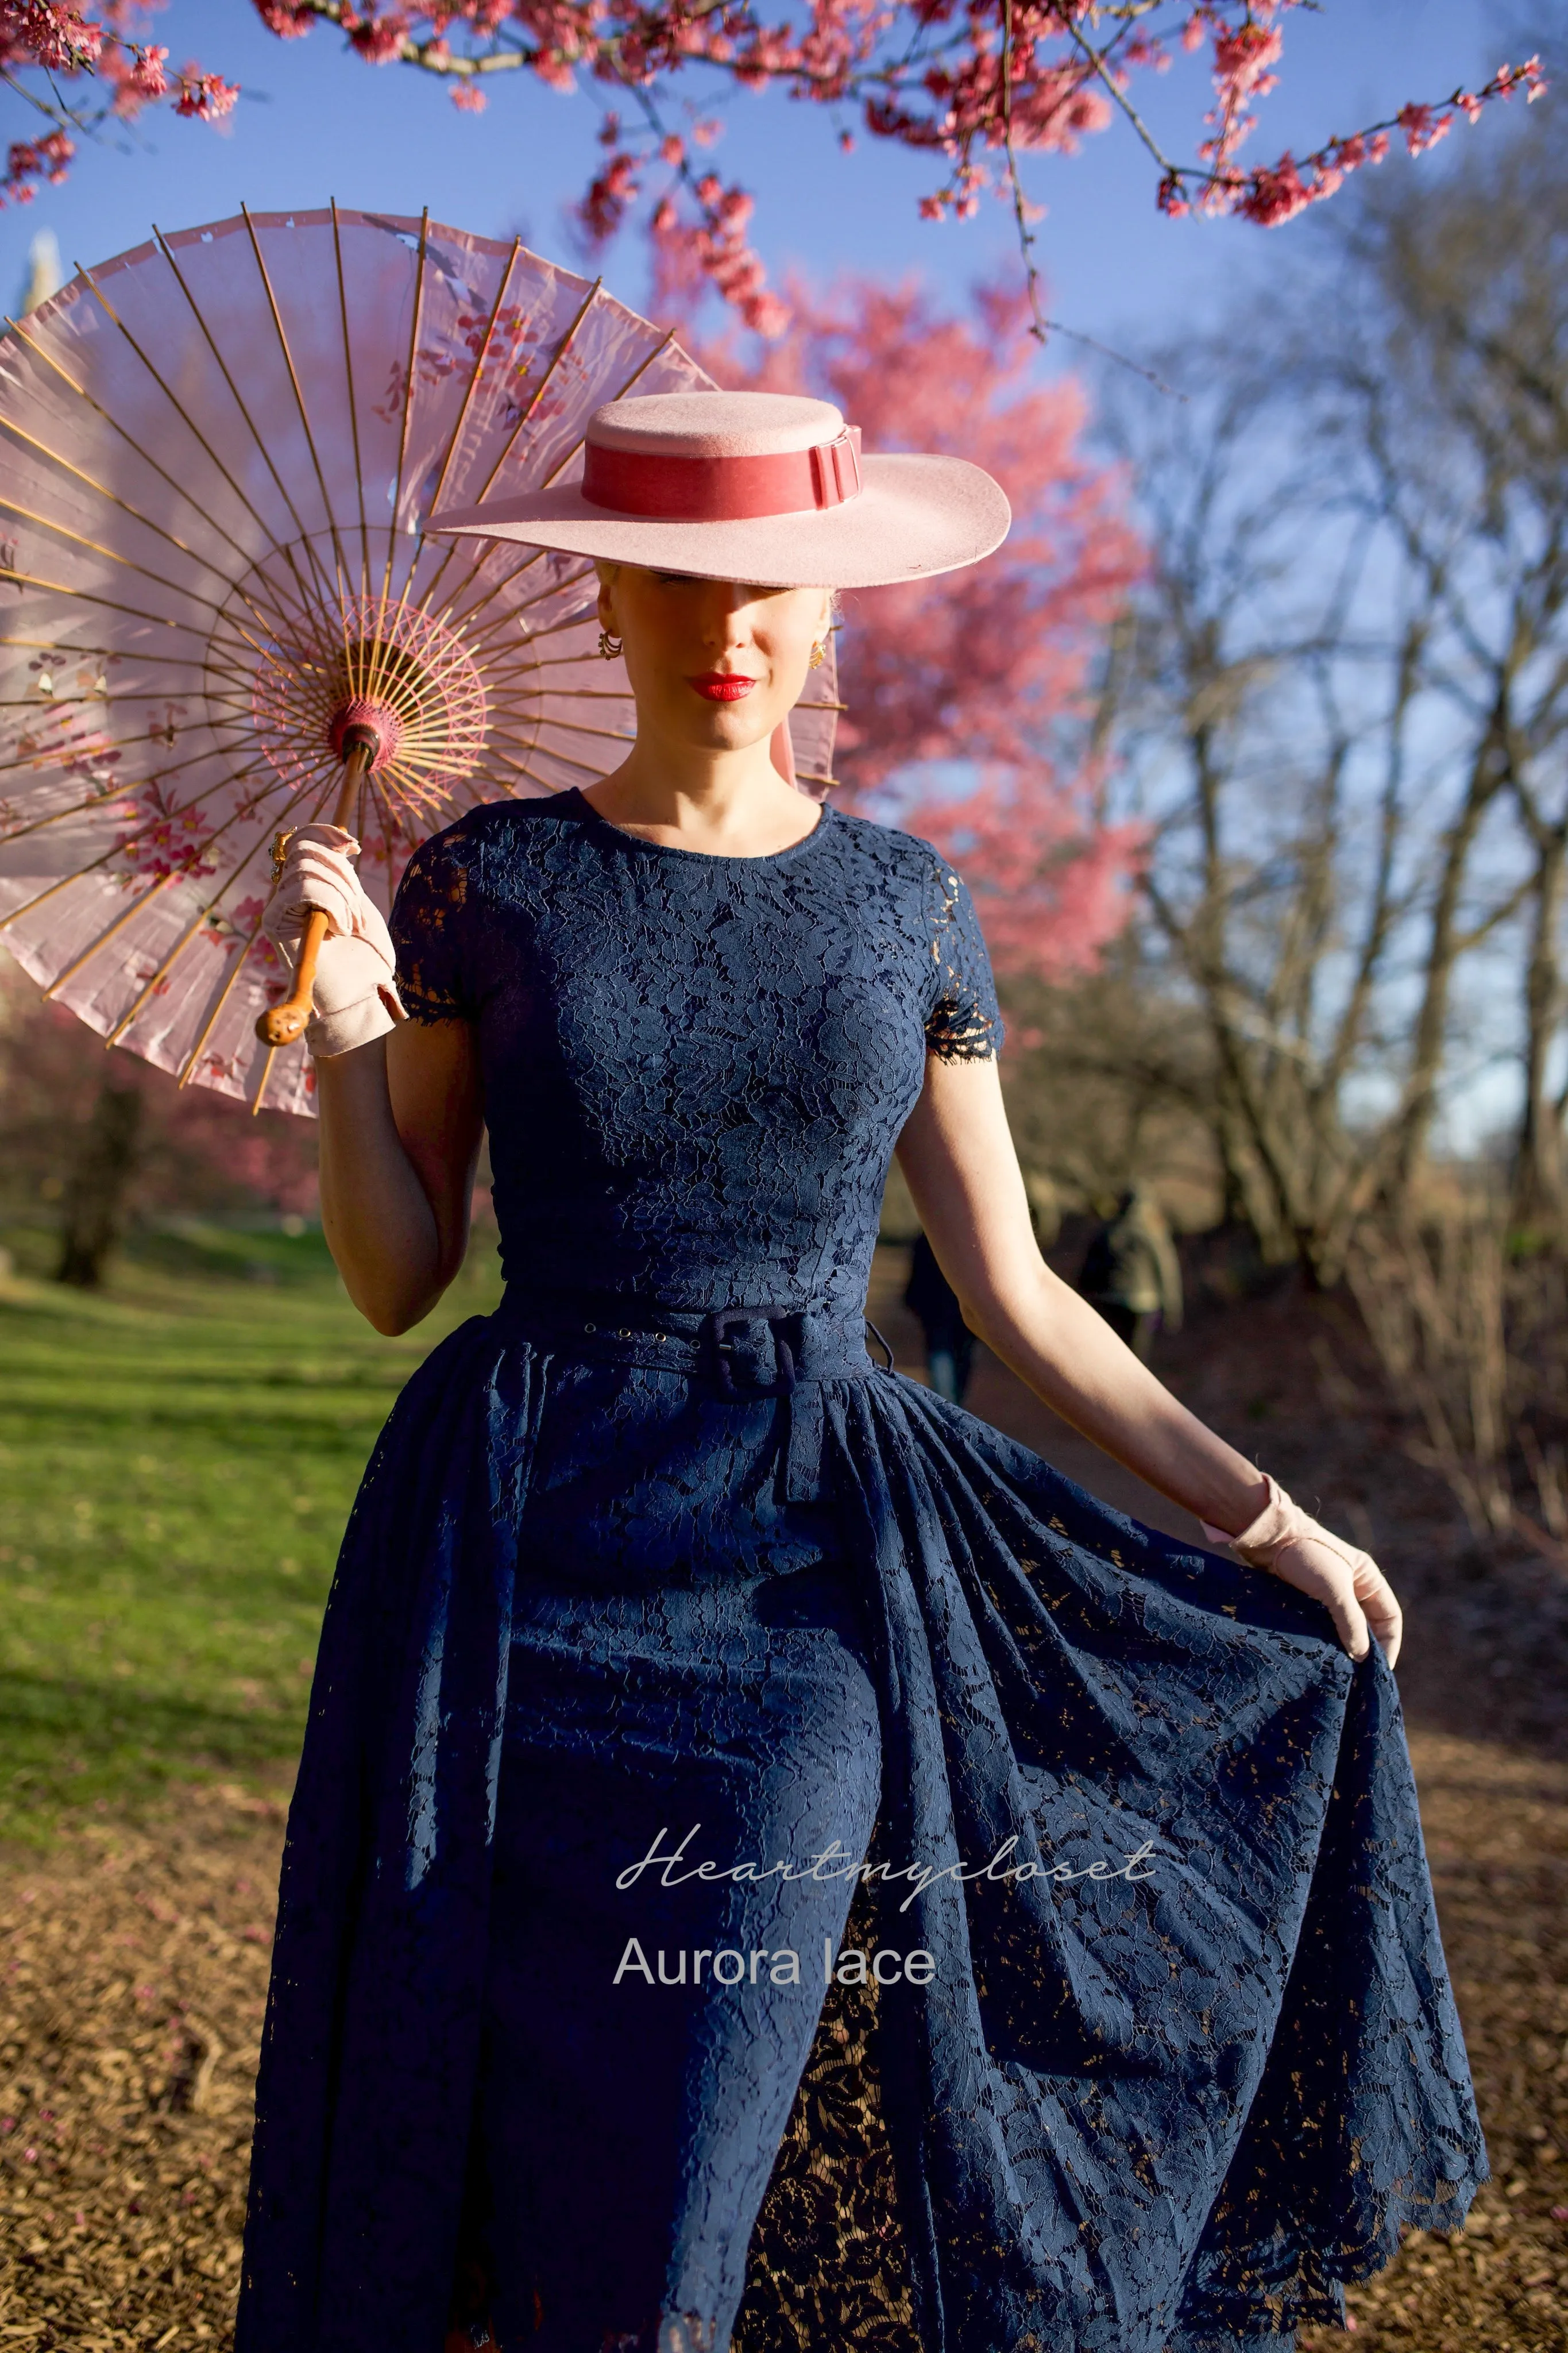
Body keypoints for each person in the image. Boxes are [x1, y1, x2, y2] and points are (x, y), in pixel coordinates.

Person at [236, 391, 1484, 2353]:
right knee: (498, 2171)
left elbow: (1017, 1288)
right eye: (680, 575)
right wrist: (342, 1032)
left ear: (830, 611)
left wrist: (1269, 1513)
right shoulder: (486, 882)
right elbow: (401, 1275)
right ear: (609, 599)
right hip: (510, 1555)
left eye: (772, 583)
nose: (728, 617)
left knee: (679, 2178)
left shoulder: (905, 906)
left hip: (801, 1577)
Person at [1079, 1185, 1184, 1362]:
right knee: (1136, 1359)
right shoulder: (1152, 1234)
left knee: (1109, 1356)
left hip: (1107, 1300)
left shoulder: (1108, 1231)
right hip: (1142, 1303)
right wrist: (1172, 1307)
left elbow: (1088, 1270)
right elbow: (1166, 1270)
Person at [903, 1228, 975, 1403]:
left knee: (954, 1364)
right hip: (945, 1319)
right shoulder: (969, 1241)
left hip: (950, 1320)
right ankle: (951, 1413)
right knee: (951, 1365)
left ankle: (951, 1411)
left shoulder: (927, 1237)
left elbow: (914, 1287)